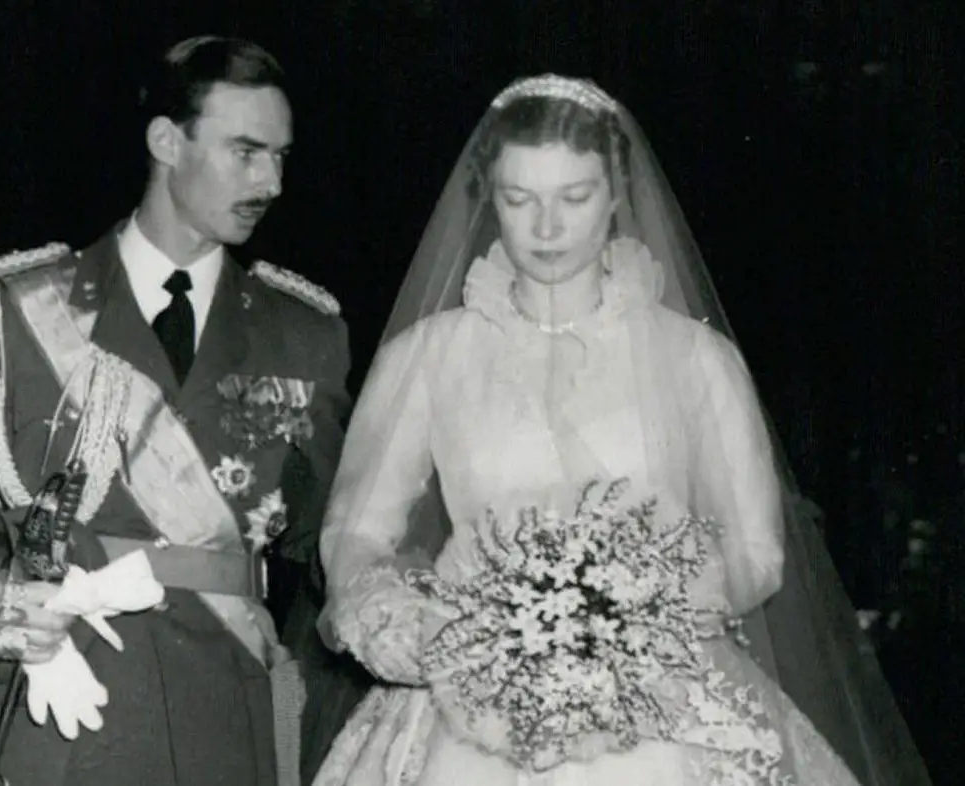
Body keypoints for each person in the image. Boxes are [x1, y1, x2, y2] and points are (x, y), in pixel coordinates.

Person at [312, 75, 931, 785]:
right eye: (520, 199)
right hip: (466, 710)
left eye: (574, 197)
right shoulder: (427, 357)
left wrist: (635, 621)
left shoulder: (696, 359)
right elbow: (357, 531)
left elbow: (756, 549)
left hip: (666, 703)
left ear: (615, 196)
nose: (546, 229)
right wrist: (390, 621)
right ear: (490, 199)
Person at [0, 36, 353, 786]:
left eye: (281, 157)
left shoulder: (304, 333)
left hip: (223, 726)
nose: (272, 182)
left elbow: (338, 537)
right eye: (246, 152)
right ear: (166, 140)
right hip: (52, 718)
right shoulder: (17, 313)